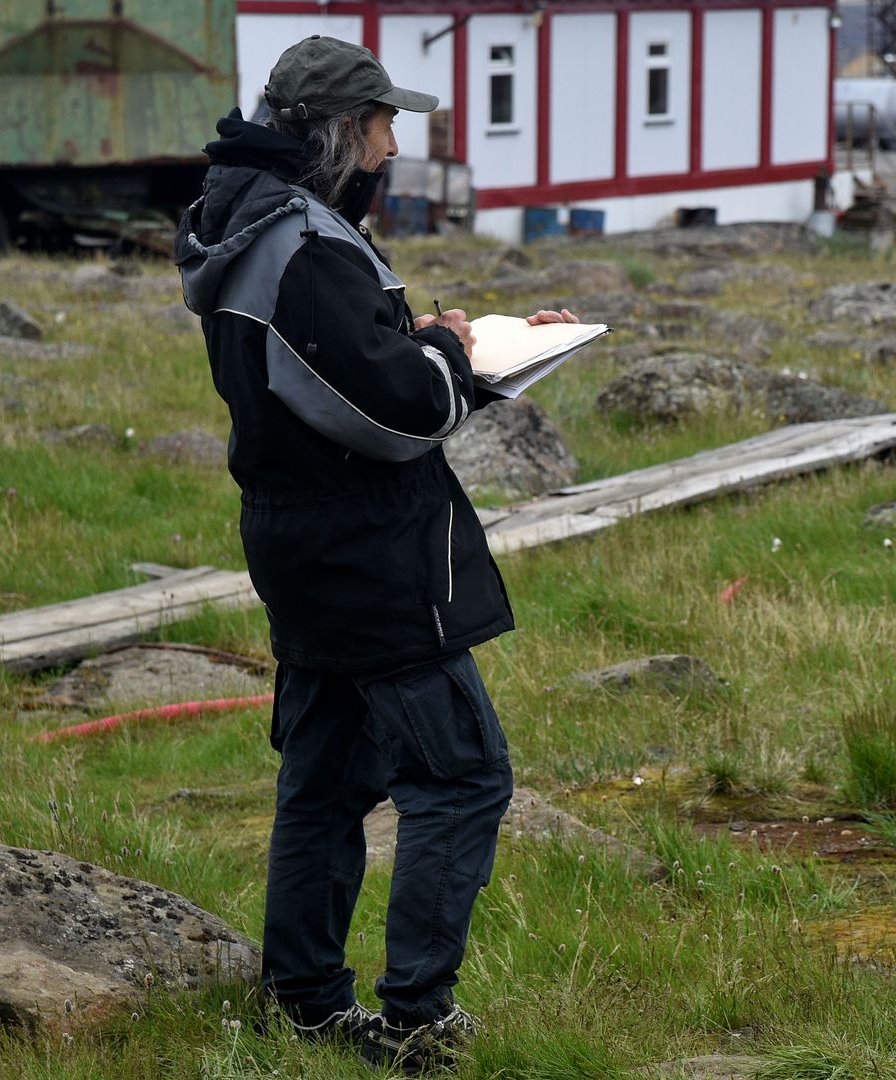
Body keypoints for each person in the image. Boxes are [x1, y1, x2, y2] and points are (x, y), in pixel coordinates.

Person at [174, 35, 574, 1073]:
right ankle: (417, 1019)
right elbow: (395, 412)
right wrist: (451, 356)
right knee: (465, 778)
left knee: (326, 781)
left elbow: (341, 375)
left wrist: (436, 344)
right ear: (339, 133)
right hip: (367, 558)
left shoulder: (254, 221)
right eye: (383, 125)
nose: (395, 147)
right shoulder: (295, 244)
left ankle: (304, 1002)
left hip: (307, 544)